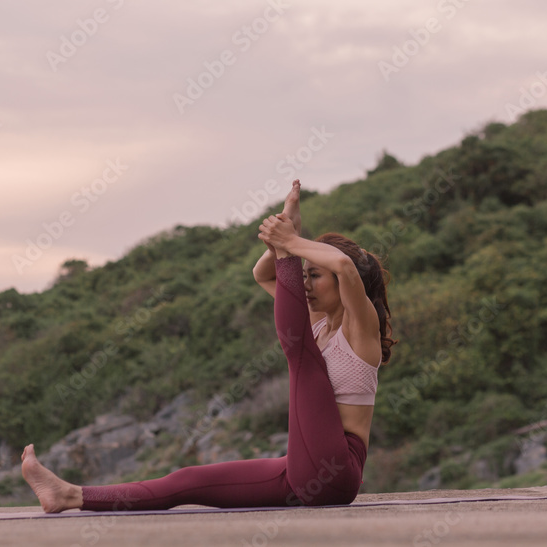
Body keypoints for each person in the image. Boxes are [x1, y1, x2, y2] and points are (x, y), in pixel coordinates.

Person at [21, 179, 396, 512]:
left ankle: (292, 249)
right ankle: (69, 496)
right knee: (188, 481)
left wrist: (291, 243)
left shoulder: (361, 327)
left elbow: (345, 267)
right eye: (304, 277)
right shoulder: (317, 324)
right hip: (303, 468)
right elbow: (261, 274)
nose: (307, 285)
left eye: (314, 275)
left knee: (300, 354)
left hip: (337, 469)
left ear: (344, 285)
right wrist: (287, 233)